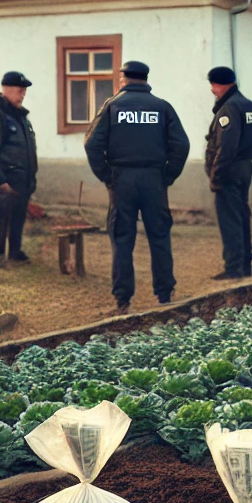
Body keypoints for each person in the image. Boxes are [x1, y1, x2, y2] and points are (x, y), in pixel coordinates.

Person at [84, 60, 189, 314]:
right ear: (145, 79)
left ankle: (122, 301)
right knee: (160, 236)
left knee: (122, 239)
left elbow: (92, 144)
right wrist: (167, 175)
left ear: (124, 80)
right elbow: (181, 145)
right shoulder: (162, 107)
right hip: (154, 179)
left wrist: (107, 176)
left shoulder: (112, 106)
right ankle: (165, 296)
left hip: (122, 181)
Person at [204, 66, 252, 280]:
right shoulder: (249, 105)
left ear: (221, 84)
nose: (212, 90)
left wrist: (216, 175)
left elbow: (227, 147)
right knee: (241, 216)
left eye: (213, 85)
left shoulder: (229, 108)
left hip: (230, 169)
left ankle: (234, 268)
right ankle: (245, 265)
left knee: (230, 219)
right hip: (245, 167)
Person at [0, 71, 38, 265]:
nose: (23, 95)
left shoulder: (20, 117)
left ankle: (15, 251)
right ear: (7, 90)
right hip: (2, 183)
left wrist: (31, 179)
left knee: (17, 218)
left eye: (24, 91)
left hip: (21, 181)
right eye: (20, 91)